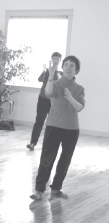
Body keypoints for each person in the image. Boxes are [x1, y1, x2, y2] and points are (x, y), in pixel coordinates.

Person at [30, 55, 85, 200]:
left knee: (65, 159)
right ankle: (39, 190)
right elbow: (48, 93)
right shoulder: (55, 83)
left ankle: (56, 189)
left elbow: (79, 107)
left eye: (71, 65)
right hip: (54, 126)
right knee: (47, 158)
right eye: (66, 64)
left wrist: (70, 98)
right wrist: (51, 76)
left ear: (76, 70)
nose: (68, 67)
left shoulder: (79, 89)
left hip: (72, 129)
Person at [27, 52, 63, 150]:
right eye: (54, 58)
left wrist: (58, 77)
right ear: (51, 59)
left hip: (54, 102)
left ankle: (49, 144)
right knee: (39, 121)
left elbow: (61, 87)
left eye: (57, 59)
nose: (55, 61)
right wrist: (44, 71)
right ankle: (33, 143)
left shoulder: (61, 73)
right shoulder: (47, 71)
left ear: (60, 61)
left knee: (52, 123)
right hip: (43, 99)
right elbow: (40, 79)